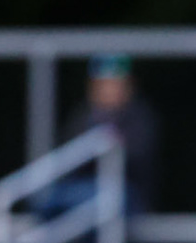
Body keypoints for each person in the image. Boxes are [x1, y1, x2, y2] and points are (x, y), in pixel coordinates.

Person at [56, 54, 160, 214]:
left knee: (104, 201)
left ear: (129, 86)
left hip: (127, 196)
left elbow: (138, 160)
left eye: (116, 83)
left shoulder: (140, 117)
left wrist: (109, 144)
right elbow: (68, 163)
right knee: (55, 202)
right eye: (104, 84)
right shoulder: (82, 117)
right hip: (83, 193)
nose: (110, 90)